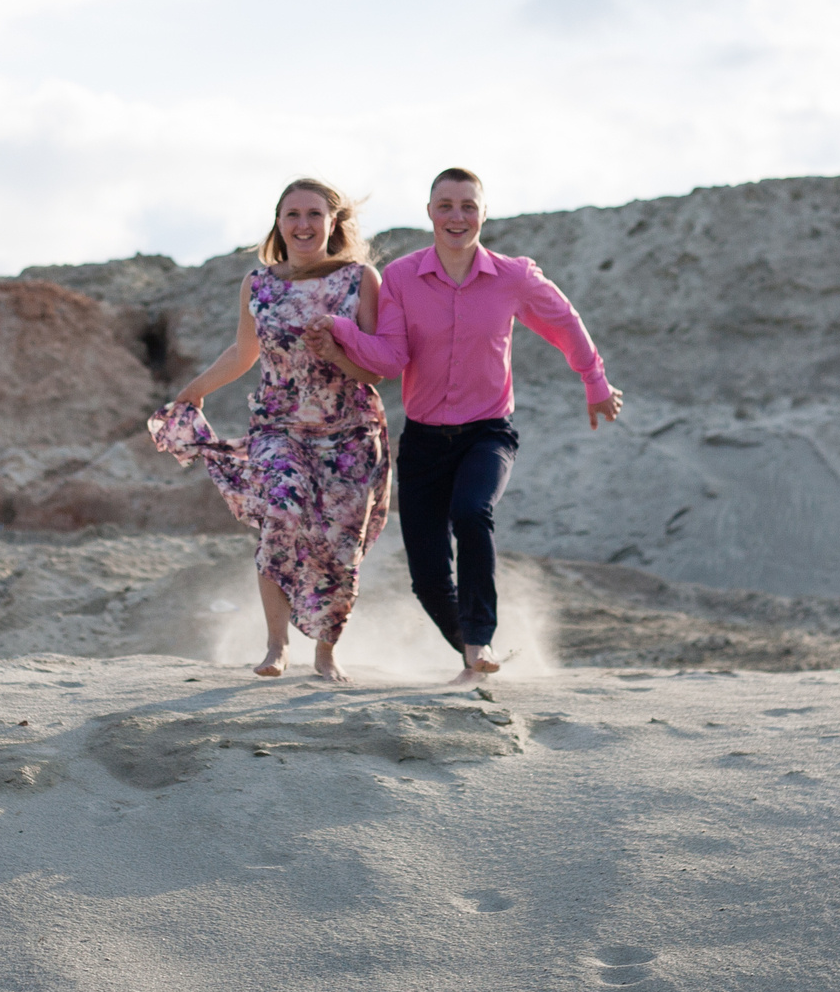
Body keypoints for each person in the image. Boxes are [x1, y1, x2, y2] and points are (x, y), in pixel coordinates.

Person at [308, 167, 620, 684]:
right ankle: (475, 656)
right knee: (428, 578)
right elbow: (390, 358)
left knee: (472, 514)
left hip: (487, 432)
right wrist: (342, 331)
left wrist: (596, 382)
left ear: (482, 213)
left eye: (468, 206)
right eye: (446, 205)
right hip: (424, 441)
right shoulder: (403, 278)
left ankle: (480, 639)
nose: (457, 216)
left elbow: (564, 322)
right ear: (430, 212)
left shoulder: (513, 277)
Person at [148, 179, 393, 683]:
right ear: (278, 223)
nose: (303, 225)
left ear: (332, 223)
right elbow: (243, 354)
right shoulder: (258, 284)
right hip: (278, 427)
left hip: (349, 434)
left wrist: (337, 355)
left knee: (337, 549)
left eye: (313, 215)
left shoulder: (359, 279)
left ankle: (325, 654)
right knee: (279, 514)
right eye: (292, 215)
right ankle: (276, 646)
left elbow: (377, 368)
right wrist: (192, 393)